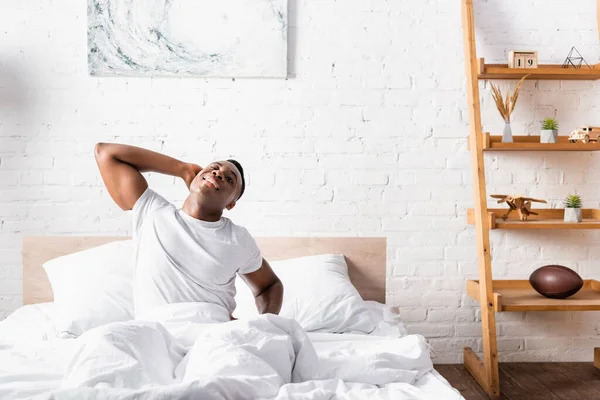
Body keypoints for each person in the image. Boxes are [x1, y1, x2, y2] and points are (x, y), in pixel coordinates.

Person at [94, 142, 283, 320]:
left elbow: (269, 286)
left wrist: (263, 324)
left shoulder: (237, 239)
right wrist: (182, 168)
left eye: (229, 179)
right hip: (156, 332)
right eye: (214, 168)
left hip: (211, 334)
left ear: (231, 204)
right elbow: (106, 153)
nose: (218, 174)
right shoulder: (151, 211)